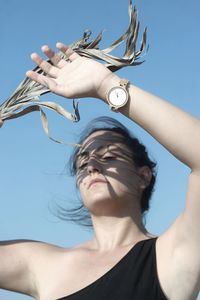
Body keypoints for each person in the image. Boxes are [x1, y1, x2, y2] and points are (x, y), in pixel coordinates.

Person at [0, 42, 200, 300]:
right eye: (82, 162)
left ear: (143, 176)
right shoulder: (43, 265)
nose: (92, 165)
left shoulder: (172, 255)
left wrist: (106, 86)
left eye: (109, 156)